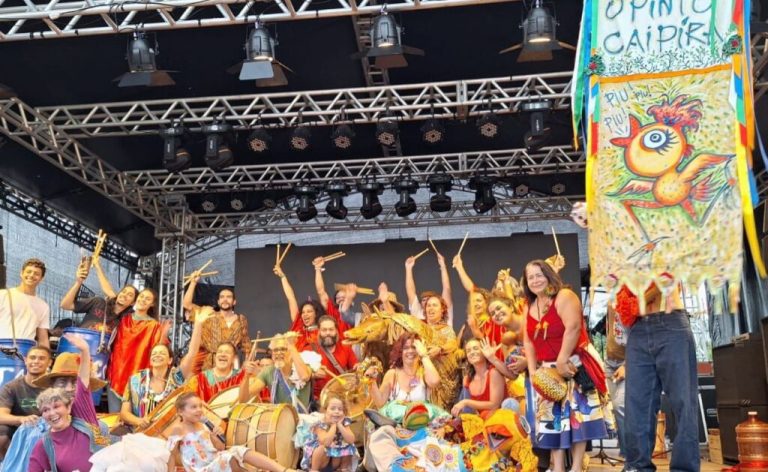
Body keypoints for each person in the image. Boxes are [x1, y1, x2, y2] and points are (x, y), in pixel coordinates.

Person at [522, 259, 610, 472]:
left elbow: (573, 328)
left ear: (549, 275)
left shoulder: (564, 296)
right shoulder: (528, 306)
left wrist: (562, 359)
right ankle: (558, 467)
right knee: (552, 420)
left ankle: (577, 467)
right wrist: (533, 371)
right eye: (530, 277)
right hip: (548, 371)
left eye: (539, 275)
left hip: (573, 363)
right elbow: (528, 341)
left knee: (577, 417)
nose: (535, 280)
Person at [621, 280, 699, 472]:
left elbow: (667, 277)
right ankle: (637, 467)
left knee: (683, 403)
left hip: (670, 319)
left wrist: (638, 302)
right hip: (638, 328)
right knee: (636, 406)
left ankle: (684, 469)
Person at [28, 333, 110, 472]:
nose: (69, 388)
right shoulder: (39, 437)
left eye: (74, 383)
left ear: (69, 407)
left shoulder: (85, 416)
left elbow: (82, 384)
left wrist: (85, 351)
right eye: (46, 410)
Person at [120, 306, 210, 430]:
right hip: (141, 434)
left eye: (162, 353)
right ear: (150, 360)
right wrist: (139, 421)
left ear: (170, 360)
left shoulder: (177, 377)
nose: (157, 355)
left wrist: (198, 324)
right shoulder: (135, 380)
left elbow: (192, 353)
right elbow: (124, 413)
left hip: (172, 432)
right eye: (154, 354)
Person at [167, 391, 302, 472]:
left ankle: (283, 470)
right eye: (193, 407)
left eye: (200, 406)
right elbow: (172, 456)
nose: (199, 410)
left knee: (238, 450)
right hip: (201, 468)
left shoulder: (204, 425)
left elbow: (220, 448)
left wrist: (215, 436)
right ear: (180, 411)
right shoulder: (178, 429)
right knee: (228, 457)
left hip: (215, 461)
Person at [106, 287, 170, 412]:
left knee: (133, 418)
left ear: (152, 304)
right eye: (141, 296)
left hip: (137, 380)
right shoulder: (123, 318)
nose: (143, 300)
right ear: (136, 299)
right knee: (114, 418)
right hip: (116, 374)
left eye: (148, 299)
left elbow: (158, 350)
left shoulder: (154, 325)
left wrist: (164, 334)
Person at [183, 272, 252, 373]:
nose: (225, 299)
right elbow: (187, 304)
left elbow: (246, 346)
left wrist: (247, 365)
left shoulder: (241, 320)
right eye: (222, 297)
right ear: (218, 302)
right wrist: (193, 282)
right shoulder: (208, 314)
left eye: (228, 297)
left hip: (231, 365)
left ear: (234, 302)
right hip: (210, 365)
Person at [273, 263, 348, 351]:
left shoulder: (326, 330)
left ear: (316, 313)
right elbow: (291, 298)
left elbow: (321, 292)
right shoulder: (299, 328)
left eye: (309, 311)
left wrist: (317, 269)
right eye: (303, 312)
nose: (305, 314)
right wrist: (282, 276)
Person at [60, 258, 138, 334]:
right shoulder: (99, 302)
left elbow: (109, 291)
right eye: (123, 292)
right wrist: (78, 282)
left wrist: (97, 266)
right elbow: (65, 305)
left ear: (133, 303)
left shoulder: (126, 320)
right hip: (79, 339)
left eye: (130, 295)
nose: (124, 295)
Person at [0, 346, 52, 459]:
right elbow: (1, 415)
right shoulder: (12, 387)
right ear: (25, 360)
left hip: (46, 430)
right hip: (18, 430)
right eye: (32, 358)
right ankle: (6, 464)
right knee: (1, 432)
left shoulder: (53, 387)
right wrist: (21, 419)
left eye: (41, 358)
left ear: (49, 362)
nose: (36, 361)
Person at [238, 334, 312, 413]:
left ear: (291, 353)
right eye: (275, 350)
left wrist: (291, 345)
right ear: (272, 355)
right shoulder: (268, 371)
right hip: (278, 418)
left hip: (302, 418)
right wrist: (246, 376)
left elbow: (304, 376)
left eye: (283, 349)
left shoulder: (303, 367)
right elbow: (244, 400)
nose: (279, 353)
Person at [368, 333, 440, 409]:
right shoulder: (392, 374)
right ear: (400, 352)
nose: (410, 351)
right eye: (406, 348)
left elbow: (435, 381)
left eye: (414, 347)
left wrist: (424, 355)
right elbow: (380, 403)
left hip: (421, 416)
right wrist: (371, 381)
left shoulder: (425, 373)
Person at [305, 315, 357, 401]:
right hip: (320, 400)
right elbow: (298, 376)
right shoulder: (309, 350)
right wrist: (312, 375)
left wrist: (360, 367)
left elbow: (355, 367)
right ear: (319, 331)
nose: (328, 333)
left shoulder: (346, 348)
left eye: (331, 329)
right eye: (324, 330)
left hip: (343, 398)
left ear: (336, 331)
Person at [301, 392, 357, 472]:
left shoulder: (344, 423)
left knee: (349, 445)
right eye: (332, 409)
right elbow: (326, 442)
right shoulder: (319, 424)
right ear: (325, 411)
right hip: (322, 461)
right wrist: (333, 425)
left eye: (340, 409)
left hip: (335, 460)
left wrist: (340, 425)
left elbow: (351, 440)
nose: (336, 411)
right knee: (321, 448)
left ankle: (343, 469)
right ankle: (314, 470)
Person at [0, 258, 50, 347]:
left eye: (36, 274)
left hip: (27, 349)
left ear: (41, 278)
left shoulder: (43, 306)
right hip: (2, 346)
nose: (31, 275)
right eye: (28, 272)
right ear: (21, 273)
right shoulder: (3, 295)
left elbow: (43, 339)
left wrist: (46, 354)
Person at [450, 338, 505, 419]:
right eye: (468, 351)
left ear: (484, 351)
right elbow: (465, 410)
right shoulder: (467, 379)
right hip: (477, 421)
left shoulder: (494, 373)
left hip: (497, 420)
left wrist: (466, 402)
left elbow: (495, 405)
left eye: (475, 348)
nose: (472, 352)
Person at [404, 250, 454, 327]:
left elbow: (446, 289)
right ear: (421, 304)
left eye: (433, 304)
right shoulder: (418, 314)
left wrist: (443, 266)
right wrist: (408, 268)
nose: (428, 304)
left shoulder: (445, 314)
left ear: (442, 308)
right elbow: (410, 291)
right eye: (425, 301)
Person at [604, 305, 627, 459]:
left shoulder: (631, 296)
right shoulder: (611, 300)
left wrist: (627, 365)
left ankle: (629, 453)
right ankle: (626, 449)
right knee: (616, 406)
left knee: (620, 405)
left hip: (628, 360)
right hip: (610, 360)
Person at [312, 256, 358, 327]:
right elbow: (321, 291)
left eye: (344, 297)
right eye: (338, 297)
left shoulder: (355, 317)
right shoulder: (331, 311)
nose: (341, 299)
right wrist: (317, 268)